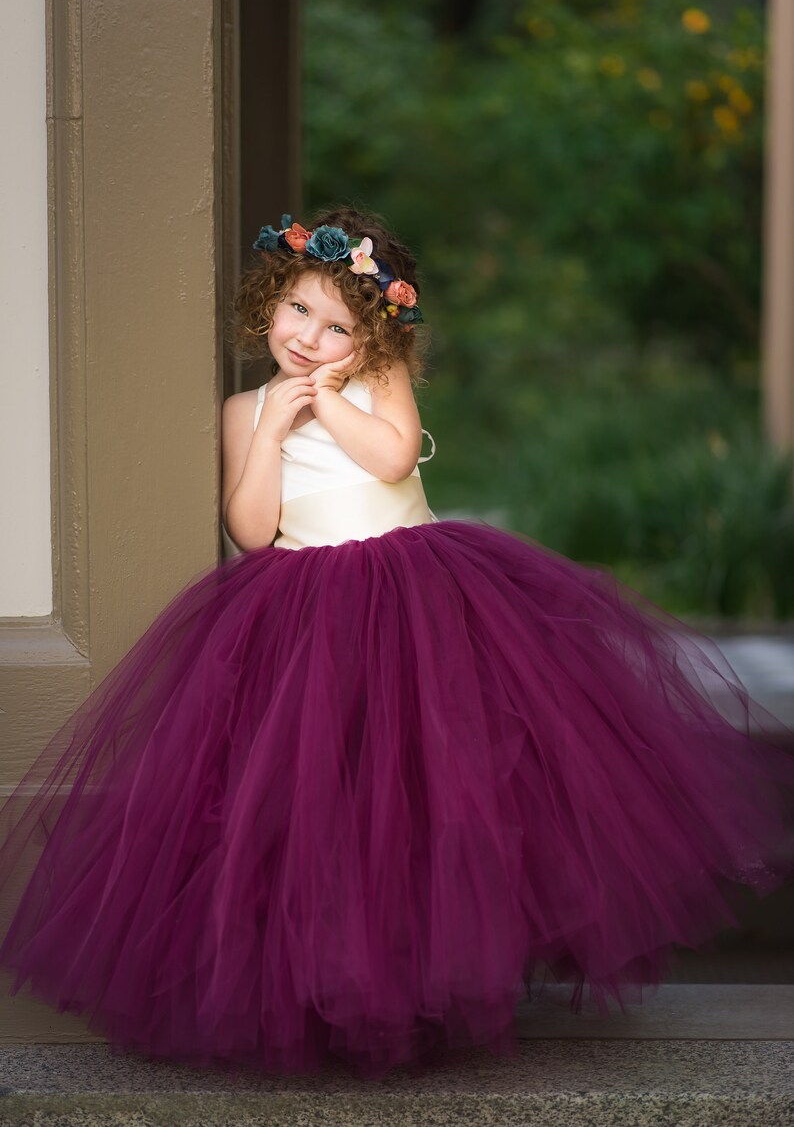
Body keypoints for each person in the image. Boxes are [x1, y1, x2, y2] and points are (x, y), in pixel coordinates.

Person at [0, 205, 792, 1082]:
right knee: (326, 797)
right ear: (271, 302)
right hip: (304, 614)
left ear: (372, 339)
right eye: (298, 310)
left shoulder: (375, 380)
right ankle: (332, 985)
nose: (309, 338)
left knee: (432, 784)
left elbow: (392, 458)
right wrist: (271, 428)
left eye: (338, 328)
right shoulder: (245, 409)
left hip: (418, 597)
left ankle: (433, 976)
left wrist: (327, 400)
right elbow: (251, 530)